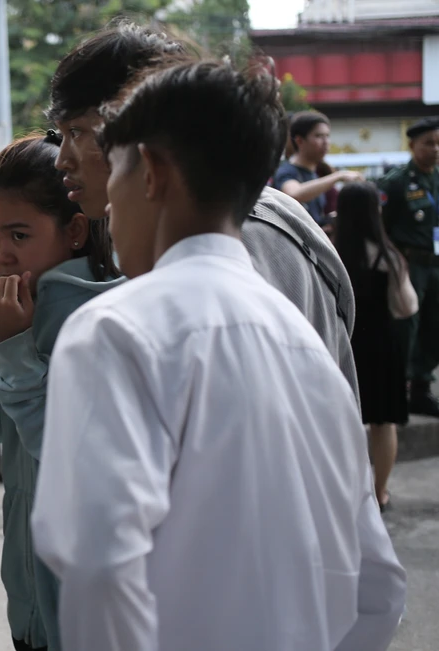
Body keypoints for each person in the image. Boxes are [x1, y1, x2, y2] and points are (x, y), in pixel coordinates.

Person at [33, 59, 406, 651]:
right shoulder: (305, 342)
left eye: (117, 170)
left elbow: (100, 565)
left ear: (151, 171)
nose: (106, 208)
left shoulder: (114, 331)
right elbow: (379, 586)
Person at [49, 19, 358, 396]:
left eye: (78, 132)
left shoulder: (232, 240)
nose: (61, 159)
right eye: (59, 135)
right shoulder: (262, 213)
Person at [0, 132, 123, 651]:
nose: (0, 253)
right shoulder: (23, 304)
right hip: (28, 597)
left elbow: (72, 457)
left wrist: (15, 347)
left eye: (19, 235)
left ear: (74, 230)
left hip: (83, 606)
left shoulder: (102, 315)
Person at [336, 182, 417, 512]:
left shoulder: (330, 252)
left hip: (344, 344)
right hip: (382, 344)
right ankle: (379, 492)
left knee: (343, 419)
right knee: (384, 423)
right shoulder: (388, 256)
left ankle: (345, 492)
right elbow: (406, 306)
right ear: (374, 211)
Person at [378, 117, 439, 416]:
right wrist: (393, 260)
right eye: (429, 143)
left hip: (436, 265)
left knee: (435, 326)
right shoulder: (397, 181)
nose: (436, 149)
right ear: (412, 144)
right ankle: (396, 387)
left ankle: (421, 388)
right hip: (409, 264)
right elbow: (380, 227)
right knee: (407, 327)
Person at [272, 111, 363, 228]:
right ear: (299, 141)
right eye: (319, 136)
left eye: (327, 136)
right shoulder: (287, 171)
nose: (326, 142)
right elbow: (294, 193)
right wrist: (338, 176)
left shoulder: (316, 172)